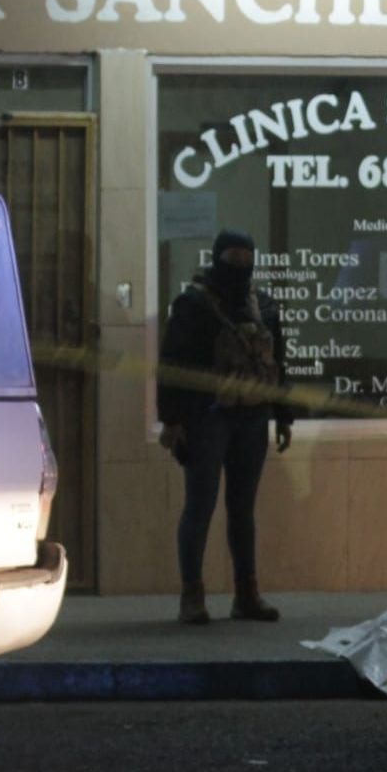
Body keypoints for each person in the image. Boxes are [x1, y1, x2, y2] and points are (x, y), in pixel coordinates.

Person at [157, 229, 293, 625]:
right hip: (206, 418)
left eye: (245, 258)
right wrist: (173, 420)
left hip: (252, 417)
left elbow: (278, 363)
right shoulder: (192, 305)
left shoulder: (263, 306)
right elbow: (171, 367)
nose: (239, 266)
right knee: (200, 506)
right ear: (217, 258)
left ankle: (246, 594)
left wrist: (283, 415)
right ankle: (192, 595)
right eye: (232, 258)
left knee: (242, 510)